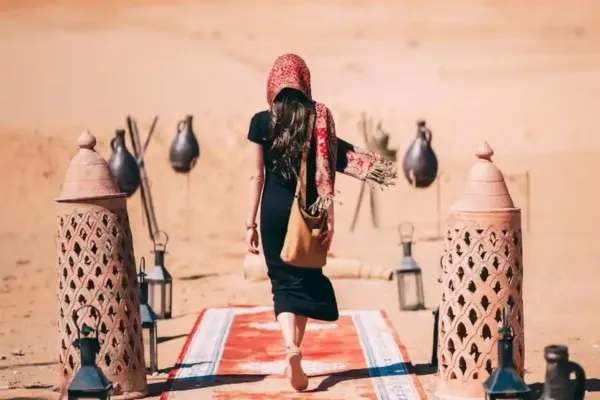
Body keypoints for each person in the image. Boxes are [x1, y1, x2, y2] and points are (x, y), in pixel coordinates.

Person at [245, 53, 396, 391]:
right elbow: (335, 158)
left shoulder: (259, 122)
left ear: (273, 84)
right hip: (309, 212)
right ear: (304, 82)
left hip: (272, 212)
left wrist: (250, 224)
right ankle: (296, 349)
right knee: (303, 277)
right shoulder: (319, 119)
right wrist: (370, 170)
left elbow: (256, 176)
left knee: (281, 284)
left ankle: (290, 349)